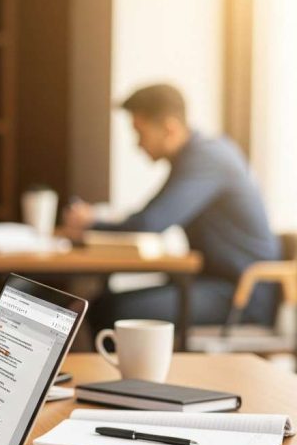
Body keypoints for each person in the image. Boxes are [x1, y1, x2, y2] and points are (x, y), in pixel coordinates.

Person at [63, 83, 280, 331]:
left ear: (169, 128)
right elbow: (151, 216)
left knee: (114, 311)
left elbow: (151, 223)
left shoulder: (207, 159)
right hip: (212, 283)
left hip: (241, 295)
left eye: (140, 133)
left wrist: (91, 222)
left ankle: (127, 371)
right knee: (103, 306)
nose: (138, 144)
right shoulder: (193, 157)